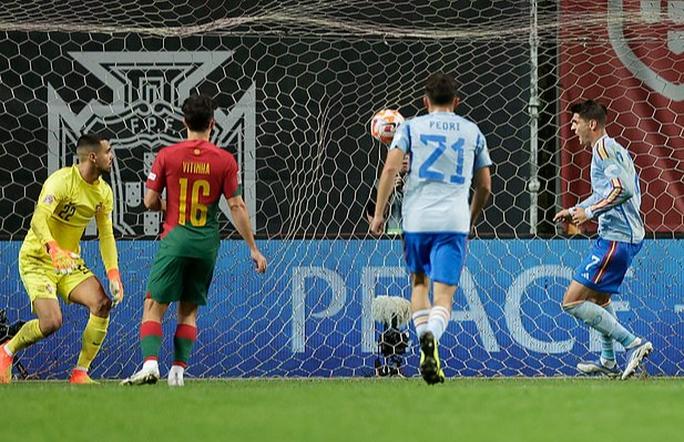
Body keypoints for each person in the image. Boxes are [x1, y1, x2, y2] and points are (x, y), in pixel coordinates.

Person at [122, 94, 267, 387]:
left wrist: (167, 206)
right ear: (212, 124)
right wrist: (253, 248)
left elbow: (149, 201)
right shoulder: (225, 160)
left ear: (183, 122)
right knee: (188, 310)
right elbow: (236, 206)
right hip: (206, 245)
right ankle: (178, 372)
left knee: (154, 305)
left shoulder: (167, 155)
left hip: (176, 240)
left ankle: (150, 364)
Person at [370, 73, 492, 384]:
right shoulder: (472, 131)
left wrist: (379, 214)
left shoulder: (410, 127)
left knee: (420, 286)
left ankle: (424, 336)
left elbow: (391, 168)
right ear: (457, 101)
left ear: (425, 102)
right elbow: (485, 186)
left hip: (416, 220)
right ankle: (431, 339)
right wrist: (471, 218)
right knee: (445, 297)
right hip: (453, 220)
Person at [0, 134, 123, 384]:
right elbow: (38, 220)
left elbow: (106, 234)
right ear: (92, 157)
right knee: (51, 322)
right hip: (39, 258)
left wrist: (113, 273)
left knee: (101, 303)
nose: (111, 157)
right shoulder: (61, 181)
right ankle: (6, 351)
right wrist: (53, 249)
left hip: (68, 262)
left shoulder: (104, 193)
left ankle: (80, 372)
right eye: (108, 152)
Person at [554, 99, 651, 380]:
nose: (572, 128)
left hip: (616, 238)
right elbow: (608, 191)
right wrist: (576, 210)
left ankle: (634, 345)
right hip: (621, 236)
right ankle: (608, 362)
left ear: (592, 124)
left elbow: (622, 190)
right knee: (598, 300)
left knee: (571, 302)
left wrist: (590, 213)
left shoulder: (604, 149)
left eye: (575, 122)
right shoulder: (611, 148)